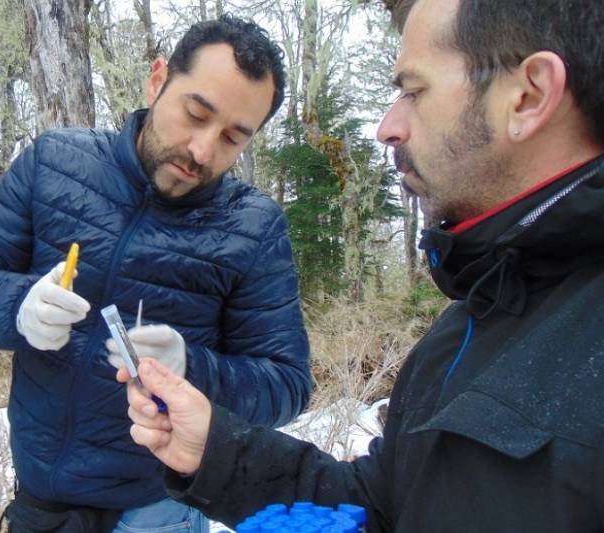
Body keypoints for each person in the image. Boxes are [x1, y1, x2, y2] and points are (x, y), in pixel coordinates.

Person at [120, 0, 604, 531]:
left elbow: (284, 377)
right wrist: (215, 452)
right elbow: (374, 511)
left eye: (414, 91)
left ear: (529, 95)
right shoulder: (467, 327)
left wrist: (198, 364)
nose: (388, 128)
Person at [0, 14, 312, 533]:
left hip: (157, 512)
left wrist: (191, 369)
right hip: (38, 500)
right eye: (195, 113)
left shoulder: (253, 228)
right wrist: (16, 306)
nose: (203, 150)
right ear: (158, 80)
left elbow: (287, 383)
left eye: (232, 138)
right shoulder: (56, 163)